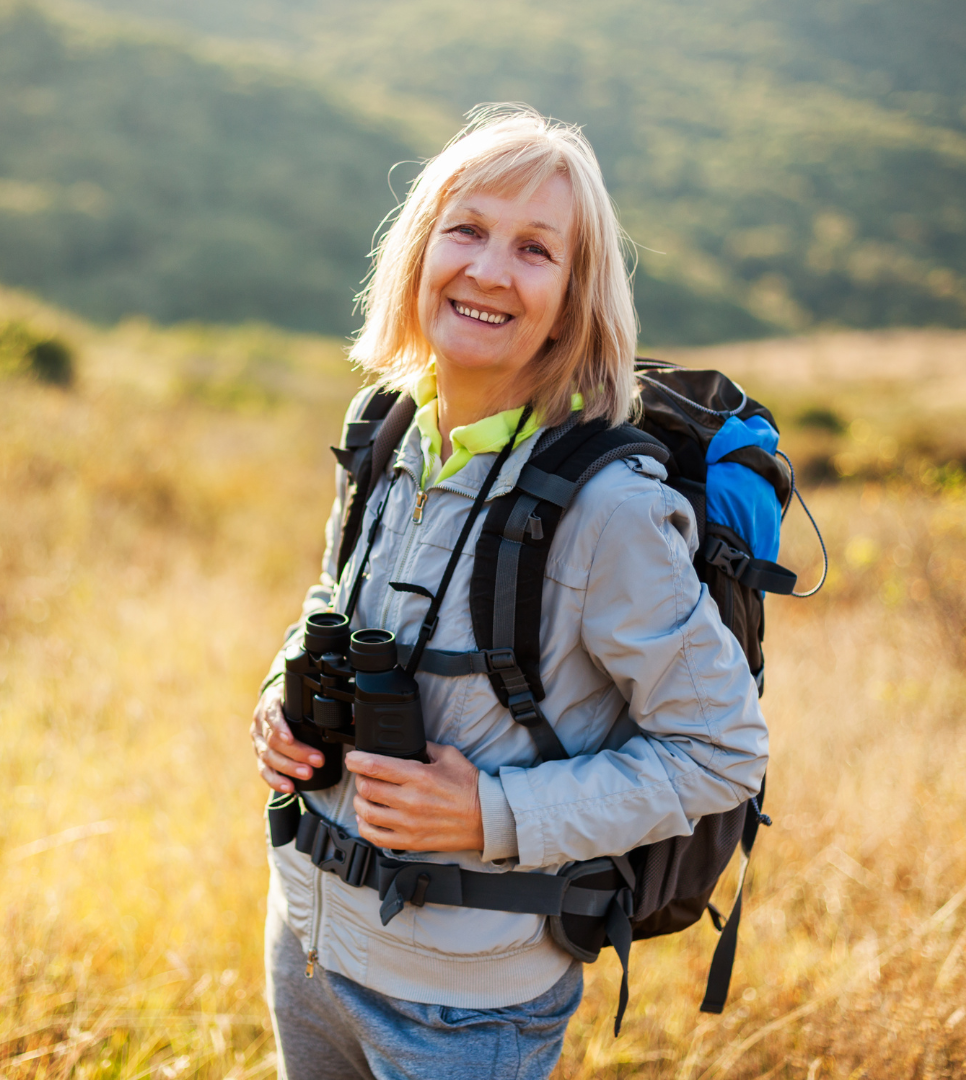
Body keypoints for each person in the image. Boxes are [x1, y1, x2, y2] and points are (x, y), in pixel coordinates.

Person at [249, 105, 768, 1080]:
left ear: (577, 296)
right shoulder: (387, 427)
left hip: (464, 1008)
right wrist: (281, 699)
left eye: (535, 249)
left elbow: (721, 752)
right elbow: (334, 601)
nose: (488, 270)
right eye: (468, 229)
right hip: (308, 941)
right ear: (419, 250)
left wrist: (494, 816)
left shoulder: (608, 511)